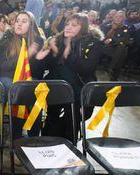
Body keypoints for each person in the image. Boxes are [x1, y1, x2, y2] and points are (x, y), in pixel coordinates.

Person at [35, 13, 103, 141]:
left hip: (79, 87)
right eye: (67, 24)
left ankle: (70, 143)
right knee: (52, 109)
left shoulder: (93, 43)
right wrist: (49, 53)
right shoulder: (58, 40)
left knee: (72, 112)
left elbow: (87, 69)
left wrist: (68, 51)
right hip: (56, 87)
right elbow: (45, 67)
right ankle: (47, 140)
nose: (68, 27)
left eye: (74, 25)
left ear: (83, 28)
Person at [0, 11, 45, 138]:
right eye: (17, 21)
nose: (19, 24)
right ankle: (16, 139)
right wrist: (25, 55)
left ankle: (34, 139)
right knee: (18, 90)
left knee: (36, 90)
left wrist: (44, 55)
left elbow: (38, 71)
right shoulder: (7, 39)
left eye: (24, 21)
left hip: (28, 80)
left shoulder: (38, 41)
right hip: (7, 78)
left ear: (32, 25)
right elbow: (3, 66)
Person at [101, 11, 131, 81]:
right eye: (116, 16)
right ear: (114, 17)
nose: (118, 18)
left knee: (122, 49)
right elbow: (103, 39)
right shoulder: (107, 26)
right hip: (105, 48)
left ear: (124, 19)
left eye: (120, 17)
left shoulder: (126, 28)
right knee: (123, 50)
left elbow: (125, 40)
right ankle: (114, 73)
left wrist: (111, 40)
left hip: (116, 49)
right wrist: (113, 29)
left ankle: (111, 69)